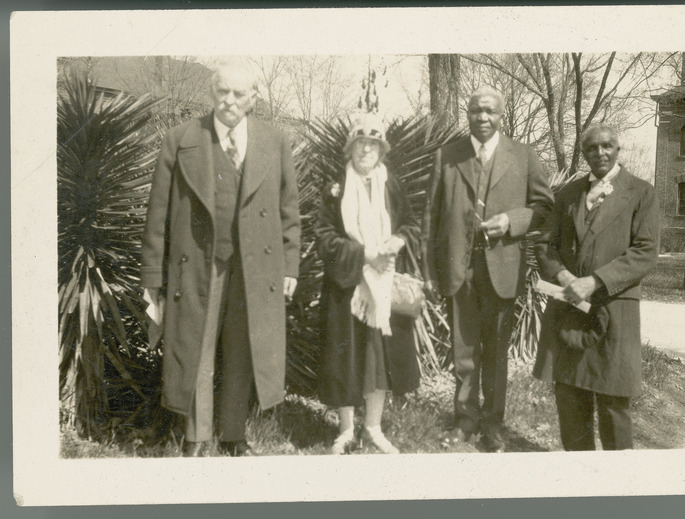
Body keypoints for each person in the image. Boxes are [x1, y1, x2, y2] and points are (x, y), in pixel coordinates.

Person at [140, 58, 300, 457]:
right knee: (198, 347)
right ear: (212, 92)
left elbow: (289, 211)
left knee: (243, 348)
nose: (229, 100)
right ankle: (197, 436)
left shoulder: (275, 141)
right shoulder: (181, 139)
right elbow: (157, 214)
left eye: (239, 93)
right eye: (222, 91)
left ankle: (233, 435)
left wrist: (290, 266)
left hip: (255, 266)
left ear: (253, 98)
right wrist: (150, 280)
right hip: (198, 263)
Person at [422, 86, 553, 452]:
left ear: (501, 115)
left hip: (502, 267)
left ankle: (493, 423)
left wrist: (512, 221)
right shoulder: (447, 156)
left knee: (496, 351)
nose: (483, 118)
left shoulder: (524, 156)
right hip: (459, 267)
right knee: (463, 349)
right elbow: (429, 218)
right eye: (476, 111)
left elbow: (545, 207)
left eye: (490, 112)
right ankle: (464, 419)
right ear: (468, 113)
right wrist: (429, 271)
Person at [532, 124, 659, 451]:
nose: (600, 153)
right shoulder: (567, 195)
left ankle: (619, 486)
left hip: (613, 310)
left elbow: (645, 252)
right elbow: (546, 246)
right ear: (584, 153)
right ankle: (580, 481)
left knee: (614, 404)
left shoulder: (641, 192)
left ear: (618, 149)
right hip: (568, 309)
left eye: (607, 146)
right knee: (570, 400)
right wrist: (563, 277)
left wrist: (594, 282)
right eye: (591, 148)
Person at [315, 114, 421, 455]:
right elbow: (324, 238)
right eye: (360, 142)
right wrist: (364, 255)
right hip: (347, 288)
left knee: (379, 359)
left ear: (381, 151)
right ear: (350, 148)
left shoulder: (391, 185)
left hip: (382, 287)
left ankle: (373, 427)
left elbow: (410, 223)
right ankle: (345, 429)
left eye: (372, 144)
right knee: (345, 357)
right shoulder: (336, 189)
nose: (366, 149)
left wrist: (398, 240)